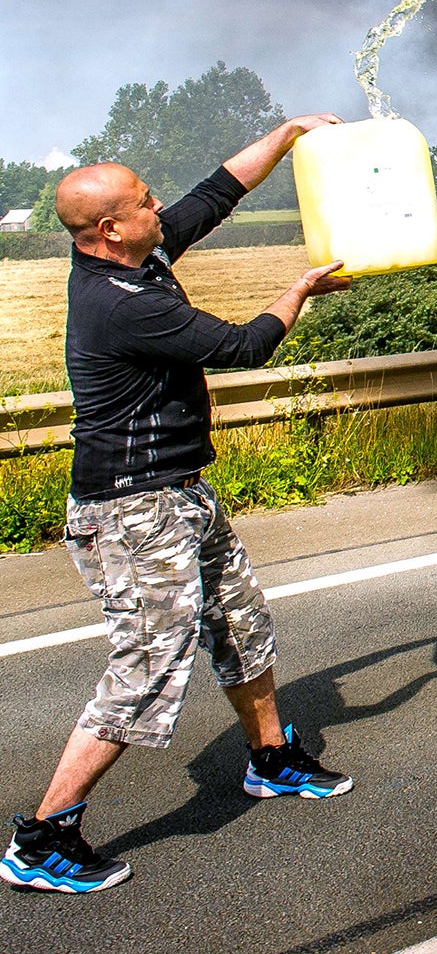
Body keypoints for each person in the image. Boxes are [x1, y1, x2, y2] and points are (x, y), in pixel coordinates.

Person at [4, 116, 356, 895]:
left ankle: (270, 759)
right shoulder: (118, 301)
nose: (160, 204)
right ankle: (43, 835)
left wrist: (290, 131)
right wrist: (297, 289)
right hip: (130, 512)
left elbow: (220, 190)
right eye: (144, 200)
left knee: (239, 621)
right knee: (147, 666)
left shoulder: (142, 248)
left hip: (179, 490)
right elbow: (240, 347)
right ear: (108, 229)